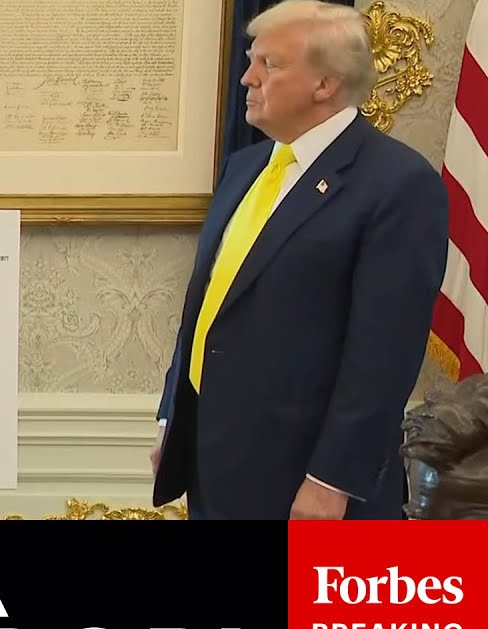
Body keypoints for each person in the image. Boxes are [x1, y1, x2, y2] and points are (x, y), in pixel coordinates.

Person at [150, 0, 448, 520]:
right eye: (251, 61)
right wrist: (172, 420)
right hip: (214, 464)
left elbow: (383, 356)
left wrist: (331, 481)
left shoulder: (398, 184)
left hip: (307, 485)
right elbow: (208, 310)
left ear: (325, 84)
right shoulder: (245, 167)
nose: (248, 78)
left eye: (270, 64)